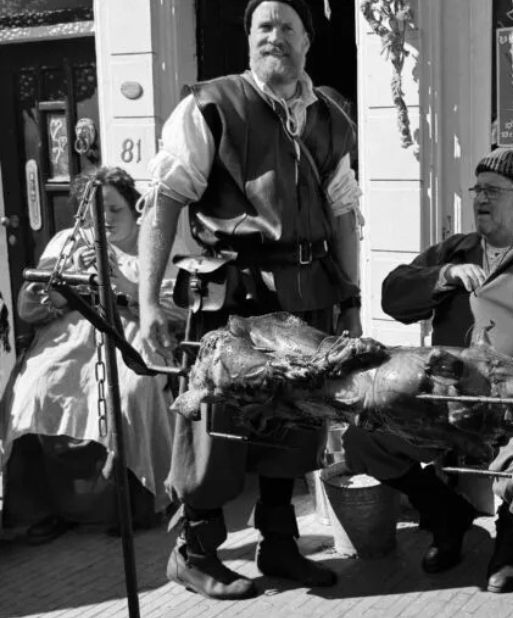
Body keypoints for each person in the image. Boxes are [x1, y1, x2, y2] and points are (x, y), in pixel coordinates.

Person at [137, 0, 363, 600]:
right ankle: (194, 553)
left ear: (307, 41)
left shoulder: (330, 119)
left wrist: (351, 298)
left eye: (287, 27)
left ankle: (280, 545)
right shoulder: (211, 104)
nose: (274, 36)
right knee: (216, 429)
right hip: (232, 302)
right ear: (249, 39)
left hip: (307, 294)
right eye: (264, 26)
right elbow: (164, 200)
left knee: (294, 424)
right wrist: (147, 303)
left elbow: (343, 212)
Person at [342, 148, 513, 593]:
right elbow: (393, 295)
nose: (480, 199)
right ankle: (446, 516)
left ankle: (510, 539)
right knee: (366, 439)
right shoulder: (456, 250)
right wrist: (442, 276)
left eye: (493, 191)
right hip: (443, 402)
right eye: (478, 189)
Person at [2, 167, 177, 541]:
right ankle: (44, 507)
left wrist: (120, 282)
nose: (105, 220)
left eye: (115, 210)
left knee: (130, 393)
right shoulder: (67, 242)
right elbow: (29, 308)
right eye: (95, 213)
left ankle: (131, 506)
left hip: (129, 338)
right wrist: (66, 283)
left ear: (133, 207)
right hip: (69, 340)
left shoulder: (151, 243)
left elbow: (178, 309)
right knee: (33, 390)